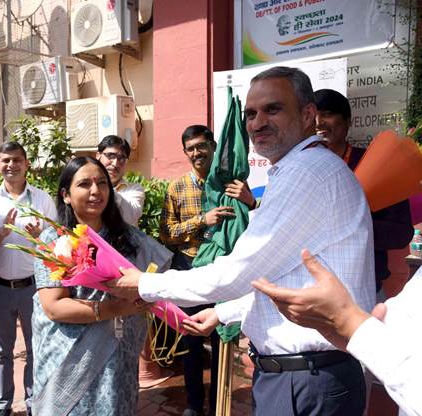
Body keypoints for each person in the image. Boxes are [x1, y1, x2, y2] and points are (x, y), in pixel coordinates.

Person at [108, 66, 377, 416]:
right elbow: (279, 277)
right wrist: (222, 312)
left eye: (273, 109)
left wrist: (144, 283)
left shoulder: (307, 173)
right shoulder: (296, 170)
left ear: (308, 114)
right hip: (300, 376)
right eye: (251, 113)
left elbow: (241, 270)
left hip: (307, 379)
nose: (256, 123)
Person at [31, 156, 172, 415]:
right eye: (84, 184)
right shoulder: (54, 239)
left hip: (119, 354)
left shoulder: (129, 239)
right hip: (71, 357)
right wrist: (116, 308)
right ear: (66, 195)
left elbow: (155, 279)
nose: (96, 191)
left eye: (102, 183)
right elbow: (54, 307)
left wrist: (148, 296)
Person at [252, 250, 422, 416]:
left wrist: (352, 324)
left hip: (315, 375)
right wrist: (351, 328)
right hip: (306, 370)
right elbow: (397, 320)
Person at [159, 124, 254, 416]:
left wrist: (250, 201)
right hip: (189, 268)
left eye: (201, 146)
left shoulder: (229, 184)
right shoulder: (176, 187)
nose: (196, 153)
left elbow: (252, 224)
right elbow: (166, 234)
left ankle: (218, 404)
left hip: (223, 270)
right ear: (185, 153)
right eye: (190, 149)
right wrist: (202, 220)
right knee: (191, 342)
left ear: (213, 146)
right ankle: (193, 404)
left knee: (221, 338)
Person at [314, 88, 413, 295]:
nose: (318, 122)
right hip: (311, 287)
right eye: (312, 115)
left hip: (364, 288)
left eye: (327, 114)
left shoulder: (379, 165)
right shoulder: (300, 169)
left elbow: (402, 234)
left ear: (348, 121)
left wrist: (353, 224)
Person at [0, 141, 57, 416]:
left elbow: (56, 244)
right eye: (5, 160)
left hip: (33, 288)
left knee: (35, 350)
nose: (11, 165)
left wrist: (41, 238)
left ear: (27, 164)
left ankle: (32, 403)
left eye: (17, 160)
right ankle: (2, 405)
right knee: (2, 353)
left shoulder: (42, 200)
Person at [96, 135, 145, 226]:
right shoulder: (89, 187)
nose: (115, 163)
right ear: (98, 156)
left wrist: (104, 188)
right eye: (111, 156)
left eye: (121, 158)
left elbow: (130, 216)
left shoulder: (134, 189)